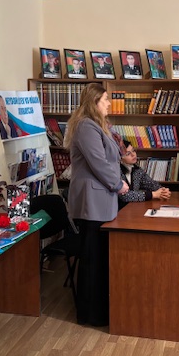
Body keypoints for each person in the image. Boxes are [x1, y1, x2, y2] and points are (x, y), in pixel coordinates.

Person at [64, 83, 129, 326]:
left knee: (99, 256)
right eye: (105, 99)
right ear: (94, 102)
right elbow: (98, 162)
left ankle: (100, 310)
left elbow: (111, 158)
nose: (109, 103)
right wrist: (118, 184)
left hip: (101, 199)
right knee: (92, 258)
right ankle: (91, 314)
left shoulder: (97, 125)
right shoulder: (85, 126)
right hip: (92, 201)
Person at [118, 140, 171, 209]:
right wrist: (153, 195)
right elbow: (125, 196)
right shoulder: (116, 172)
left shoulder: (136, 169)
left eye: (133, 151)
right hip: (118, 211)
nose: (133, 155)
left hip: (132, 208)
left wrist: (163, 191)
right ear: (119, 158)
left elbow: (151, 184)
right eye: (128, 154)